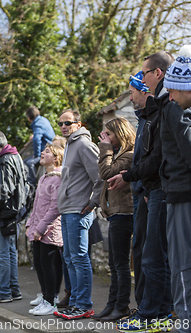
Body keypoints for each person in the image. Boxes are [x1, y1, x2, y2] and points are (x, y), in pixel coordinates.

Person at [109, 51, 174, 332]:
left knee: (153, 255)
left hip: (159, 189)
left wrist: (132, 177)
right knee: (150, 254)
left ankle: (152, 315)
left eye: (144, 74)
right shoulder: (150, 114)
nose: (133, 95)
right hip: (150, 189)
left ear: (156, 75)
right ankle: (157, 312)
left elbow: (157, 158)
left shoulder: (164, 109)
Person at [54, 109, 102, 320]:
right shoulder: (69, 146)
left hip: (78, 210)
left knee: (79, 258)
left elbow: (100, 176)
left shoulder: (83, 144)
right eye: (61, 123)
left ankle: (84, 305)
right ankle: (75, 303)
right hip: (67, 210)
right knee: (70, 258)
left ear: (78, 124)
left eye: (68, 123)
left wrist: (93, 202)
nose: (63, 126)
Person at [160, 45, 191, 331]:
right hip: (179, 193)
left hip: (182, 196)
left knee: (182, 267)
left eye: (173, 89)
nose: (169, 96)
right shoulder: (178, 107)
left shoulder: (178, 112)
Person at [93, 118, 135, 321]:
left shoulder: (128, 155)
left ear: (120, 133)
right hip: (115, 213)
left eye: (109, 134)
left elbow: (106, 173)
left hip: (124, 213)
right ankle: (112, 304)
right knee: (114, 263)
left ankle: (122, 306)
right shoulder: (120, 153)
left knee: (120, 264)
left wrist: (105, 149)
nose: (106, 138)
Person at [0, 130, 26, 304]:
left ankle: (2, 292)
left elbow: (2, 192)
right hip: (14, 211)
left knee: (0, 255)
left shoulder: (4, 160)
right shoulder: (15, 156)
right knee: (10, 253)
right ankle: (13, 290)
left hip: (5, 213)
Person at [26, 143, 64, 315]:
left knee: (48, 265)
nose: (42, 152)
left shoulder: (57, 179)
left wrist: (40, 228)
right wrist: (30, 225)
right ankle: (47, 297)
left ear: (56, 158)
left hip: (50, 231)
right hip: (38, 230)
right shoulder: (43, 178)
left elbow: (55, 207)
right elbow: (37, 206)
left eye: (47, 152)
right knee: (40, 265)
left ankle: (50, 301)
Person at [127, 71, 151, 307]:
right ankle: (143, 306)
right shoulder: (142, 119)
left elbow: (150, 159)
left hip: (146, 194)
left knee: (146, 253)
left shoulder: (151, 118)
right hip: (139, 193)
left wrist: (144, 188)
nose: (130, 98)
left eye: (133, 92)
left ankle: (148, 308)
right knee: (139, 251)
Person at [25, 106, 56, 186]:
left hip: (46, 151)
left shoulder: (37, 124)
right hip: (48, 148)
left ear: (29, 117)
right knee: (24, 162)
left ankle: (32, 185)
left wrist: (37, 156)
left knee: (29, 163)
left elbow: (36, 140)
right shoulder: (42, 120)